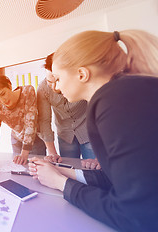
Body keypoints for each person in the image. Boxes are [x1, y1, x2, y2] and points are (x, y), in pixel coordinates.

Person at [28, 30, 158, 231]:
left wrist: (61, 184)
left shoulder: (112, 101)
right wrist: (60, 173)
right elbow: (115, 178)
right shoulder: (125, 91)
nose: (57, 88)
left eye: (59, 79)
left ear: (82, 74)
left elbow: (135, 216)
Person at [37, 53, 100, 169]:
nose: (55, 87)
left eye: (57, 80)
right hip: (65, 135)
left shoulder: (82, 80)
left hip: (88, 132)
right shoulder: (42, 88)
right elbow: (44, 121)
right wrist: (51, 152)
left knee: (94, 169)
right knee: (69, 169)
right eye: (49, 81)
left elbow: (98, 111)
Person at [0, 75, 46, 166]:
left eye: (3, 94)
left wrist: (24, 153)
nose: (2, 100)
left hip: (35, 138)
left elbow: (30, 123)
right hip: (16, 141)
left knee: (37, 169)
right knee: (19, 169)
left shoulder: (27, 92)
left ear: (9, 86)